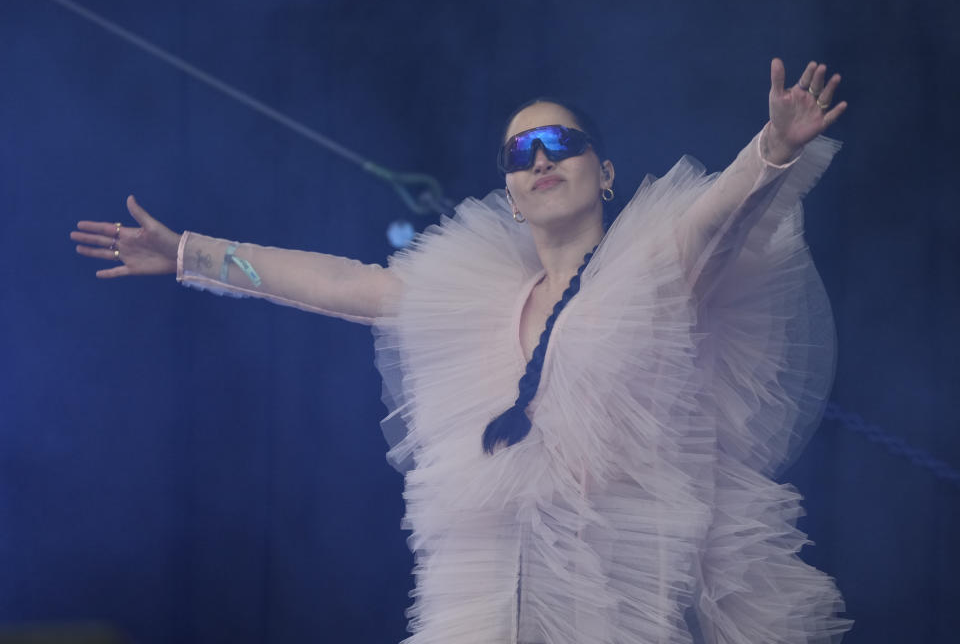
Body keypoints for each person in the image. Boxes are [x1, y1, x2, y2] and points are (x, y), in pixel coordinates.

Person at [72, 58, 852, 643]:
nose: (540, 161)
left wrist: (771, 151)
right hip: (486, 594)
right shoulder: (472, 296)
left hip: (619, 590)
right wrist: (189, 254)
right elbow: (334, 284)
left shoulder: (657, 268)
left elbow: (718, 221)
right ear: (511, 192)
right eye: (520, 155)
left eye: (559, 143)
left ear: (604, 170)